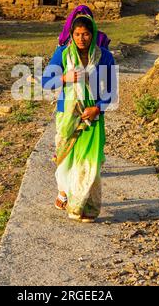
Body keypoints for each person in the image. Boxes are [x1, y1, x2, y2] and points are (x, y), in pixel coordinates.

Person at [42, 13, 117, 223]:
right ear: (71, 35)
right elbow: (46, 83)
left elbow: (111, 91)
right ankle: (69, 198)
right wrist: (64, 77)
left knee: (89, 165)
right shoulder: (63, 54)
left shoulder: (104, 57)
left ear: (93, 35)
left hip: (92, 118)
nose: (81, 38)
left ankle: (85, 208)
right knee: (66, 163)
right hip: (68, 117)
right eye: (77, 34)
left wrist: (98, 109)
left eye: (85, 34)